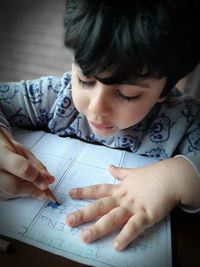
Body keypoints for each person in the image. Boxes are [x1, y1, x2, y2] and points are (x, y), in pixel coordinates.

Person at [0, 0, 200, 251]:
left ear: (166, 87)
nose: (96, 108)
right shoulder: (54, 97)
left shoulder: (183, 120)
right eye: (84, 79)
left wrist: (179, 176)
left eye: (127, 94)